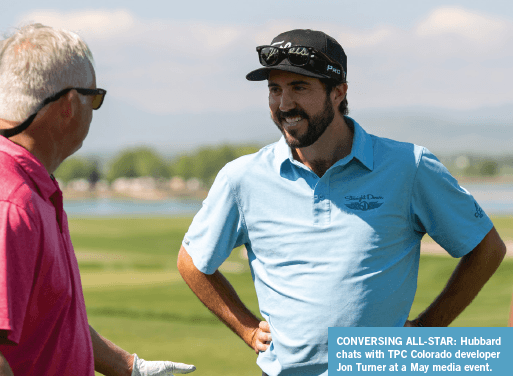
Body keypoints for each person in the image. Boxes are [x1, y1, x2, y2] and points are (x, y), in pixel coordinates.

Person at [177, 29, 507, 376]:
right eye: (275, 89)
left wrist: (428, 330)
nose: (284, 104)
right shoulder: (242, 178)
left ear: (338, 92)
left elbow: (486, 248)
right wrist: (245, 329)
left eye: (299, 87)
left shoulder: (409, 166)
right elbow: (192, 261)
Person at [0, 23, 196, 376]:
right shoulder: (4, 202)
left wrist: (129, 368)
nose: (95, 110)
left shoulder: (25, 184)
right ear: (69, 104)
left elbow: (49, 318)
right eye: (94, 98)